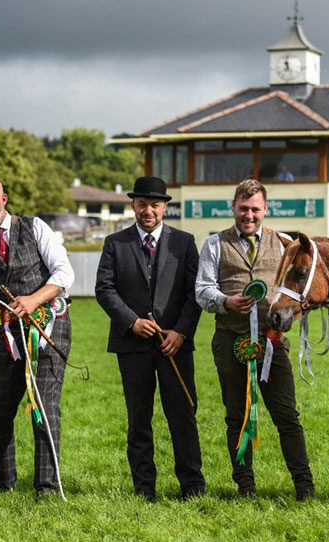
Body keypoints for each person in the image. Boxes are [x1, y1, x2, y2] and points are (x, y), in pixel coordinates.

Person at [195, 179, 315, 501]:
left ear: (266, 210)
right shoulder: (214, 244)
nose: (249, 215)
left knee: (287, 417)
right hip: (230, 340)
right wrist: (226, 302)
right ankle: (245, 487)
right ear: (233, 207)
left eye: (255, 209)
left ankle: (305, 488)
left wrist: (290, 318)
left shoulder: (285, 244)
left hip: (273, 343)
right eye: (243, 208)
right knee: (237, 416)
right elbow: (202, 291)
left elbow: (300, 293)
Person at [95, 176, 204, 502]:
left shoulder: (184, 243)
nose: (148, 210)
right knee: (139, 419)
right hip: (132, 347)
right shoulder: (115, 243)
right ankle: (144, 489)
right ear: (133, 205)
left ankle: (193, 488)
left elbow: (193, 292)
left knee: (182, 416)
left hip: (175, 346)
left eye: (154, 205)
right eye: (141, 204)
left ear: (165, 207)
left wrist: (181, 333)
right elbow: (104, 289)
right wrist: (131, 322)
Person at [0, 176, 74, 497]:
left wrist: (33, 299)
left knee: (43, 405)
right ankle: (4, 485)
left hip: (51, 325)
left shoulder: (35, 227)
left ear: (4, 199)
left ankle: (46, 488)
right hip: (9, 331)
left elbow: (64, 273)